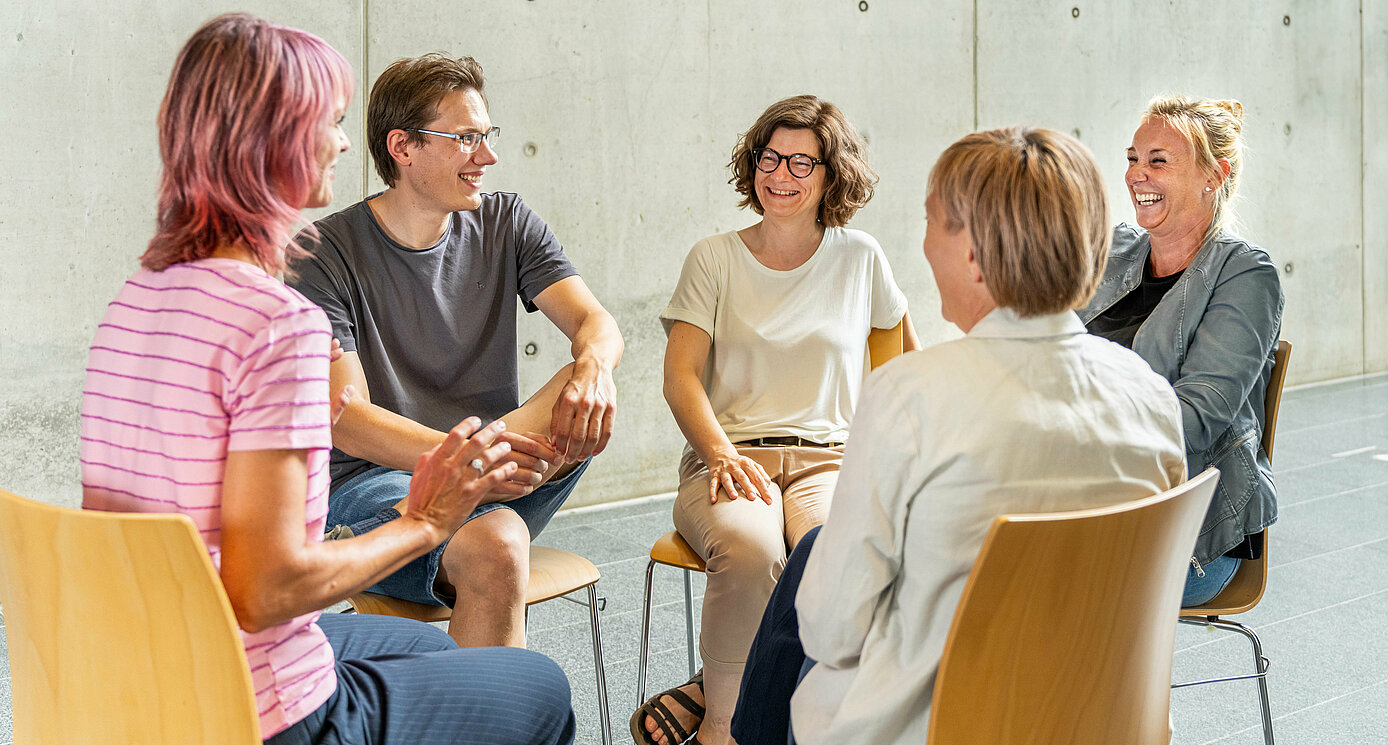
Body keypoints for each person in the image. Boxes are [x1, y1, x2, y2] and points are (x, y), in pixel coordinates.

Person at [79, 14, 573, 744]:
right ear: (270, 139)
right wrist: (425, 523)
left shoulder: (139, 298)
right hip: (262, 706)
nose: (345, 142)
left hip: (155, 671)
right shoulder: (275, 322)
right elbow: (267, 590)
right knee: (535, 683)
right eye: (331, 122)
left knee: (444, 652)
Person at [727, 127, 1189, 745]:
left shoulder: (912, 397)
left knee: (816, 585)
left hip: (936, 728)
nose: (921, 245)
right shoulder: (1150, 396)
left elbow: (831, 628)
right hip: (1096, 723)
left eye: (931, 222)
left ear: (972, 254)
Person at [288, 54, 624, 648]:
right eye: (466, 138)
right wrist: (469, 460)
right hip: (376, 487)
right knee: (498, 543)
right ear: (403, 146)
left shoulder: (509, 222)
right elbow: (349, 423)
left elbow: (595, 323)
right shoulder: (322, 253)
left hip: (499, 471)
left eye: (486, 136)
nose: (487, 156)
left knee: (581, 375)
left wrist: (595, 369)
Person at [635, 95, 916, 745]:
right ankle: (724, 728)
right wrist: (720, 454)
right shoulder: (713, 258)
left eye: (800, 161)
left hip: (830, 457)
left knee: (834, 553)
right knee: (753, 548)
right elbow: (680, 378)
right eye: (769, 156)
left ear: (830, 174)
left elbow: (901, 369)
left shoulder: (861, 258)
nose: (780, 174)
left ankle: (781, 710)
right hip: (729, 455)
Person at [1078, 95, 1284, 606]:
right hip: (1089, 496)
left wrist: (1073, 416)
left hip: (1191, 534)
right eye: (1132, 158)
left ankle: (1088, 687)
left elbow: (1192, 419)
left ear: (1214, 175)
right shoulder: (1115, 249)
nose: (1136, 175)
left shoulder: (1244, 276)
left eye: (1158, 161)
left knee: (1025, 572)